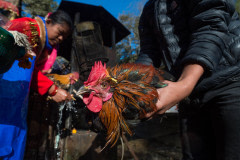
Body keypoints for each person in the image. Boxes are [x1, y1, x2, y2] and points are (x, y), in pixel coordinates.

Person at [136, 0, 240, 160]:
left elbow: (210, 29)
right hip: (190, 97)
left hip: (229, 82)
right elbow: (149, 53)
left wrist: (183, 85)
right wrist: (130, 88)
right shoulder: (150, 7)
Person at [0, 10, 73, 160]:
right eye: (60, 32)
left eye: (64, 37)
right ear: (49, 21)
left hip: (14, 101)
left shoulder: (41, 43)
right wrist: (52, 89)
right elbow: (22, 67)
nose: (60, 38)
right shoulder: (29, 29)